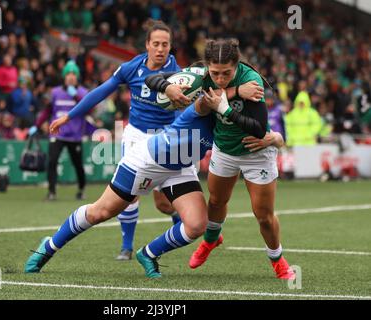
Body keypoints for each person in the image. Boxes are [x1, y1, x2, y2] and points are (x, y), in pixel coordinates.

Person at [24, 82, 277, 278]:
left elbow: (267, 133)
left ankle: (148, 253)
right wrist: (236, 90)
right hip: (147, 161)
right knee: (100, 212)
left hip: (180, 169)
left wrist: (272, 138)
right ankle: (48, 247)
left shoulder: (231, 122)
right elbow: (205, 101)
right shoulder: (202, 107)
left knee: (197, 224)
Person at [149, 38, 295, 280]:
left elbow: (258, 129)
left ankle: (277, 259)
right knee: (216, 202)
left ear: (236, 65)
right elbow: (152, 79)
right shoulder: (199, 75)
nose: (219, 78)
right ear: (207, 66)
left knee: (263, 217)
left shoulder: (251, 79)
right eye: (215, 73)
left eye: (226, 73)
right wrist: (167, 87)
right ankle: (210, 240)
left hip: (256, 152)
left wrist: (225, 108)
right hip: (225, 150)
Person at [48, 20, 190, 261]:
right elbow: (100, 92)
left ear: (170, 47)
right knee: (128, 195)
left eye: (165, 44)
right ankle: (127, 246)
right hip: (136, 137)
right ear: (147, 45)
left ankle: (185, 226)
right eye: (155, 43)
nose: (160, 49)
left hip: (166, 138)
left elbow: (185, 110)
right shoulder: (131, 68)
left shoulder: (181, 76)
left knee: (164, 204)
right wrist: (69, 116)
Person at [29, 60, 90, 201]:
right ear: (64, 76)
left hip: (75, 136)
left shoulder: (82, 92)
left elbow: (89, 109)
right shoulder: (55, 92)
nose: (71, 76)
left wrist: (75, 95)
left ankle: (81, 189)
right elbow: (47, 111)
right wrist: (36, 125)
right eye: (68, 73)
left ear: (77, 76)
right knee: (52, 161)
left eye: (73, 73)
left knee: (78, 165)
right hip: (57, 133)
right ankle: (51, 192)